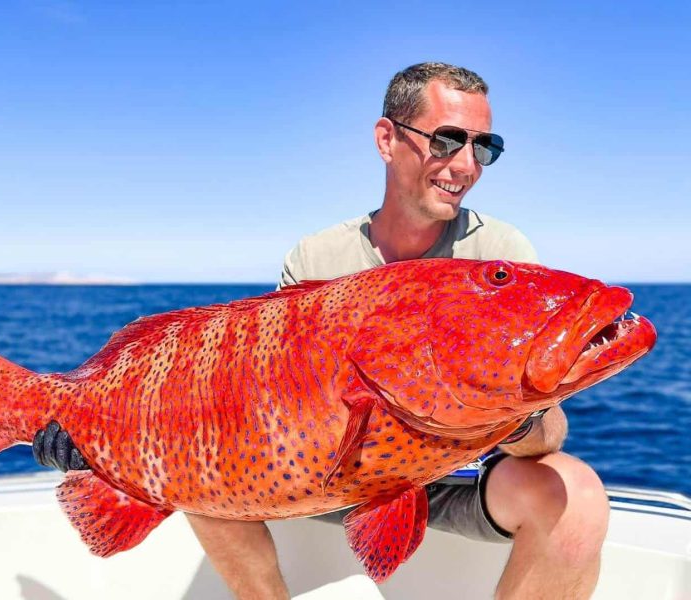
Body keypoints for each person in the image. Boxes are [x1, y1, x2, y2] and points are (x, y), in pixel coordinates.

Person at [34, 62, 611, 600]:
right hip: (323, 473)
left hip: (457, 473)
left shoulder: (499, 254)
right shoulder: (317, 257)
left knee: (576, 492)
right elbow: (255, 401)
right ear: (387, 139)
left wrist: (519, 407)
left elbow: (546, 440)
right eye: (446, 140)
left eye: (484, 146)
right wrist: (97, 439)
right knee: (199, 475)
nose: (465, 164)